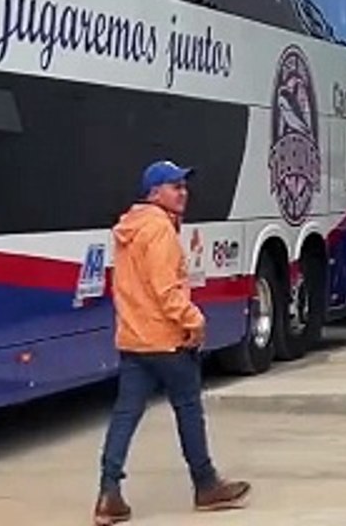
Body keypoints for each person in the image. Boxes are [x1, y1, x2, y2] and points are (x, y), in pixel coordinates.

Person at [93, 160, 250, 525]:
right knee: (188, 411)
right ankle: (206, 485)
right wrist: (195, 322)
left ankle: (108, 491)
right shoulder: (159, 231)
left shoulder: (129, 229)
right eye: (174, 186)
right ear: (154, 193)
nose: (183, 192)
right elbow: (166, 291)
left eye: (183, 185)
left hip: (134, 340)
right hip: (167, 341)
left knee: (124, 416)